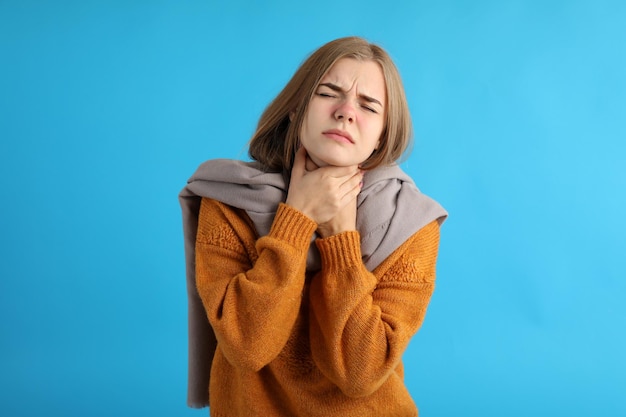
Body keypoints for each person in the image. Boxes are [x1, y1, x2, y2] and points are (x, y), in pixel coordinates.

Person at [180, 36, 447, 416]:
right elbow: (246, 346)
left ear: (381, 137)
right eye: (328, 93)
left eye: (368, 106)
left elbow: (360, 374)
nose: (345, 112)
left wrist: (341, 240)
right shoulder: (229, 201)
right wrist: (296, 219)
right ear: (296, 108)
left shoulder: (410, 226)